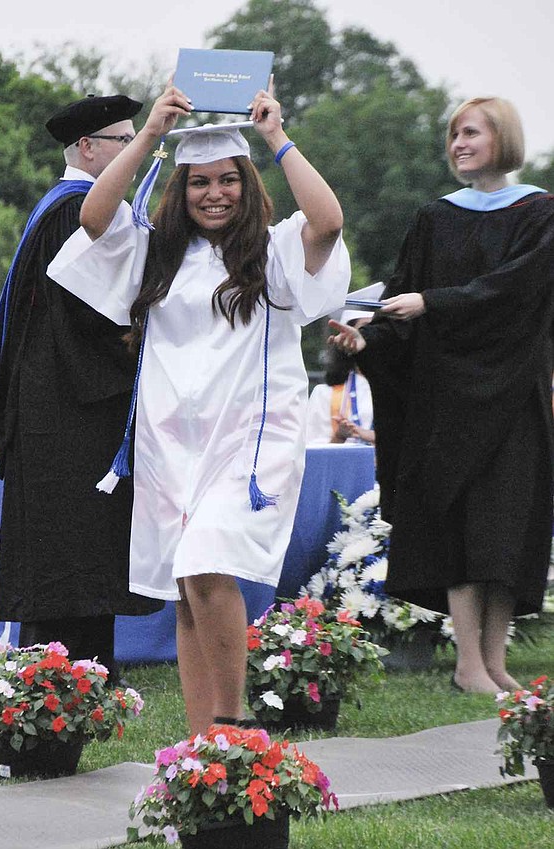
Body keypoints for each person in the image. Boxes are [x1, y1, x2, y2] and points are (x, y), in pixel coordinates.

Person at [48, 81, 350, 733]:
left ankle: (233, 726)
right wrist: (151, 131)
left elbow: (328, 221)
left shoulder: (273, 252)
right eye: (199, 182)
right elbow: (94, 219)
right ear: (180, 191)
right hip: (172, 445)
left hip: (248, 444)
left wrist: (276, 135)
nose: (214, 192)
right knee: (187, 584)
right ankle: (202, 737)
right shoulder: (155, 252)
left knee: (206, 564)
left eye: (228, 180)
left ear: (247, 185)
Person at [328, 96, 554, 694]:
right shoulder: (436, 217)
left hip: (513, 396)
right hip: (447, 402)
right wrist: (366, 340)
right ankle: (468, 666)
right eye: (454, 135)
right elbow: (401, 298)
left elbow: (516, 290)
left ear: (501, 138)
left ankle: (496, 661)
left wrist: (436, 302)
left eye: (471, 133)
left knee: (504, 529)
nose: (458, 144)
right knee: (462, 525)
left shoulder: (539, 213)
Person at [0, 94, 164, 679]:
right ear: (88, 147)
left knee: (69, 559)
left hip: (55, 411)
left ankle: (69, 682)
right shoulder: (73, 211)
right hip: (70, 417)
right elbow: (92, 318)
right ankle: (63, 686)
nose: (133, 150)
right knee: (69, 562)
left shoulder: (60, 208)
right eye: (123, 140)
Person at [306, 310, 374, 444]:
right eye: (365, 328)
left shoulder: (405, 388)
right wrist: (339, 436)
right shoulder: (326, 394)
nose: (373, 335)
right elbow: (313, 451)